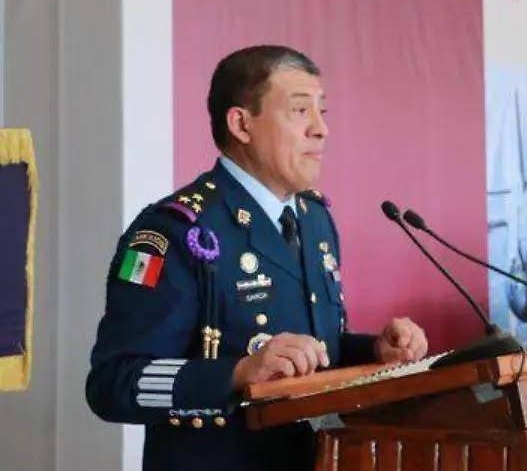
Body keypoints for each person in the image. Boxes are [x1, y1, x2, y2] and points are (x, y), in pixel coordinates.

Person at [86, 46, 429, 471]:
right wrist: (237, 374)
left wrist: (376, 351)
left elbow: (318, 355)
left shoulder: (314, 219)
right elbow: (113, 384)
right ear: (241, 124)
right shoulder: (172, 230)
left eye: (322, 112)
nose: (321, 130)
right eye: (300, 111)